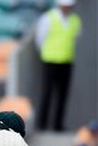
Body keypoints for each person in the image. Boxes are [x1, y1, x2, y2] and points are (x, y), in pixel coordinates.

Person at [35, 0, 82, 131]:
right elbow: (40, 38)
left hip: (66, 61)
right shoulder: (48, 18)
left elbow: (75, 38)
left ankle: (58, 125)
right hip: (50, 60)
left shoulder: (75, 20)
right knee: (47, 93)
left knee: (63, 95)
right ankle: (42, 124)